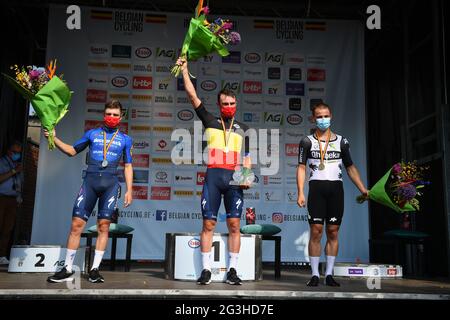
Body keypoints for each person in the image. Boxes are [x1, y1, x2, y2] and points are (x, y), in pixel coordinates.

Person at [177, 57, 252, 285]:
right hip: (213, 177)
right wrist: (184, 70)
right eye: (225, 104)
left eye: (232, 103)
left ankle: (232, 271)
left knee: (234, 225)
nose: (229, 107)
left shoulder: (244, 129)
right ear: (219, 105)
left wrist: (246, 178)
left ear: (236, 104)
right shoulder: (209, 120)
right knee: (208, 224)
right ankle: (206, 270)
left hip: (233, 180)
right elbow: (192, 96)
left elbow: (246, 158)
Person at [45, 100, 133, 283]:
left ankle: (94, 269)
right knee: (76, 225)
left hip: (111, 185)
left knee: (103, 227)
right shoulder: (92, 134)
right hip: (90, 183)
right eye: (109, 113)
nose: (112, 117)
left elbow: (128, 166)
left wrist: (129, 190)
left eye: (115, 115)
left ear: (121, 117)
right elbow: (71, 151)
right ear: (104, 115)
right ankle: (67, 268)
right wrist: (53, 137)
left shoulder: (125, 139)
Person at [297, 102, 368, 287]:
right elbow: (301, 168)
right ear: (313, 118)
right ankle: (314, 274)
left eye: (326, 116)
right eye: (319, 116)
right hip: (316, 190)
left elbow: (350, 167)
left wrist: (362, 188)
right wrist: (300, 192)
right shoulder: (307, 141)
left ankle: (328, 274)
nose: (323, 119)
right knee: (316, 231)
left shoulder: (341, 141)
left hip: (336, 189)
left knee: (333, 231)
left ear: (331, 116)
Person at [0, 141, 23, 265]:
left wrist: (19, 197)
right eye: (15, 152)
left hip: (12, 200)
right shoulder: (2, 163)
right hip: (1, 198)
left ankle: (2, 255)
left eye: (19, 153)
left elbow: (19, 184)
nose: (17, 155)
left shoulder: (18, 165)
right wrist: (13, 171)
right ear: (9, 151)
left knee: (7, 229)